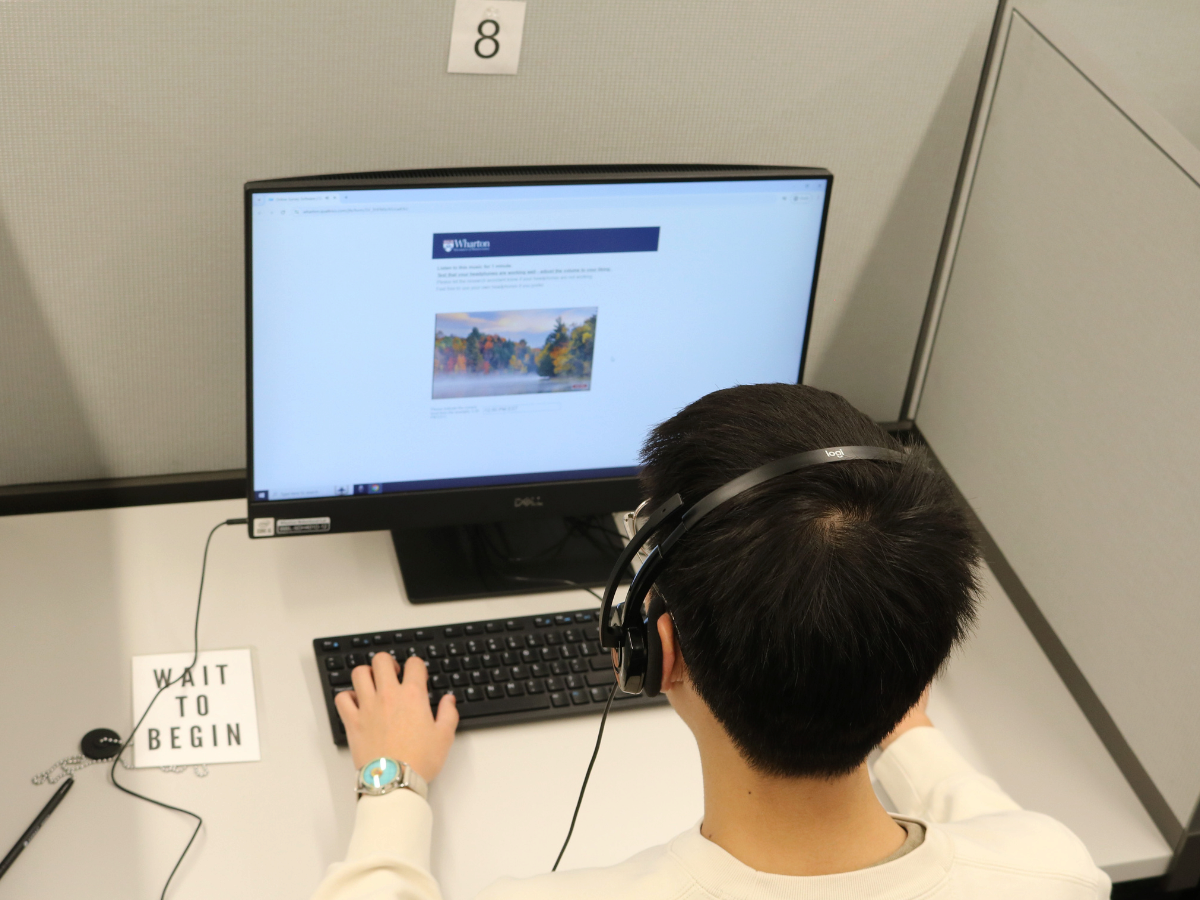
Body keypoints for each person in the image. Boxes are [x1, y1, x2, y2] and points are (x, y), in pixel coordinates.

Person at [311, 384, 1110, 900]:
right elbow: (986, 826)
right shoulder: (1054, 871)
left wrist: (392, 783)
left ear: (659, 649)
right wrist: (894, 706)